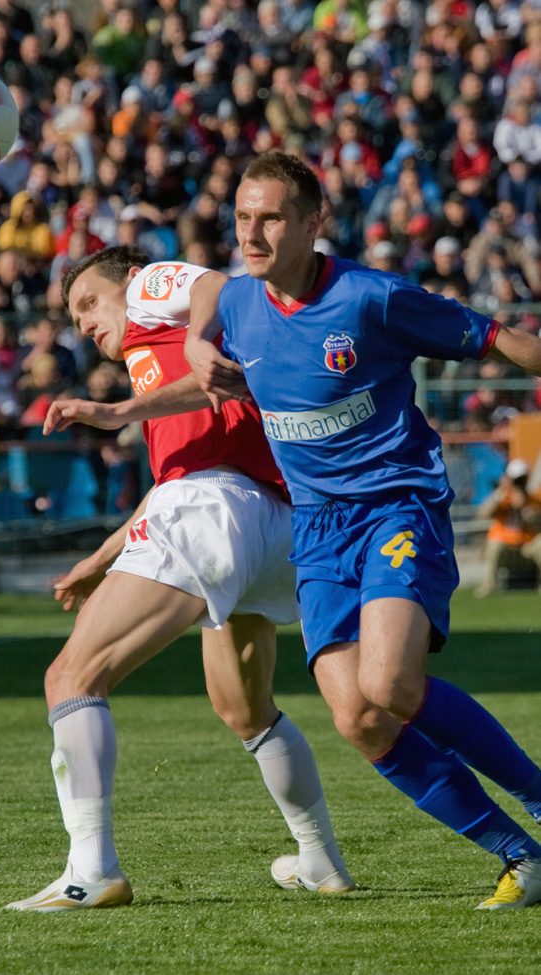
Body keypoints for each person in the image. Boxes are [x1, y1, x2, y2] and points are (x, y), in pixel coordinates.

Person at [185, 150, 541, 911]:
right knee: (357, 715)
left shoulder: (372, 298)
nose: (251, 231)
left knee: (390, 684)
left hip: (396, 507)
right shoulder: (240, 301)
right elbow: (206, 290)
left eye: (271, 217)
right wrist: (188, 345)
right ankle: (519, 853)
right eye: (243, 216)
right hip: (316, 530)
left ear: (316, 225)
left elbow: (497, 337)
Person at [5, 245, 354, 912]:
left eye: (88, 303)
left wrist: (126, 400)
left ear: (129, 285)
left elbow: (216, 285)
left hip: (216, 508)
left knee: (71, 677)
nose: (83, 322)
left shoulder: (149, 293)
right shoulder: (161, 377)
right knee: (245, 710)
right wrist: (99, 560)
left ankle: (91, 871)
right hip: (270, 522)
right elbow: (176, 479)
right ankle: (320, 860)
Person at [475, 458, 541, 596]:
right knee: (495, 543)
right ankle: (489, 585)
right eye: (516, 480)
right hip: (506, 546)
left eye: (521, 480)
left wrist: (525, 509)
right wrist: (499, 494)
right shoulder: (501, 498)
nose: (519, 484)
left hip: (527, 547)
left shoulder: (533, 500)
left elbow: (537, 527)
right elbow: (482, 514)